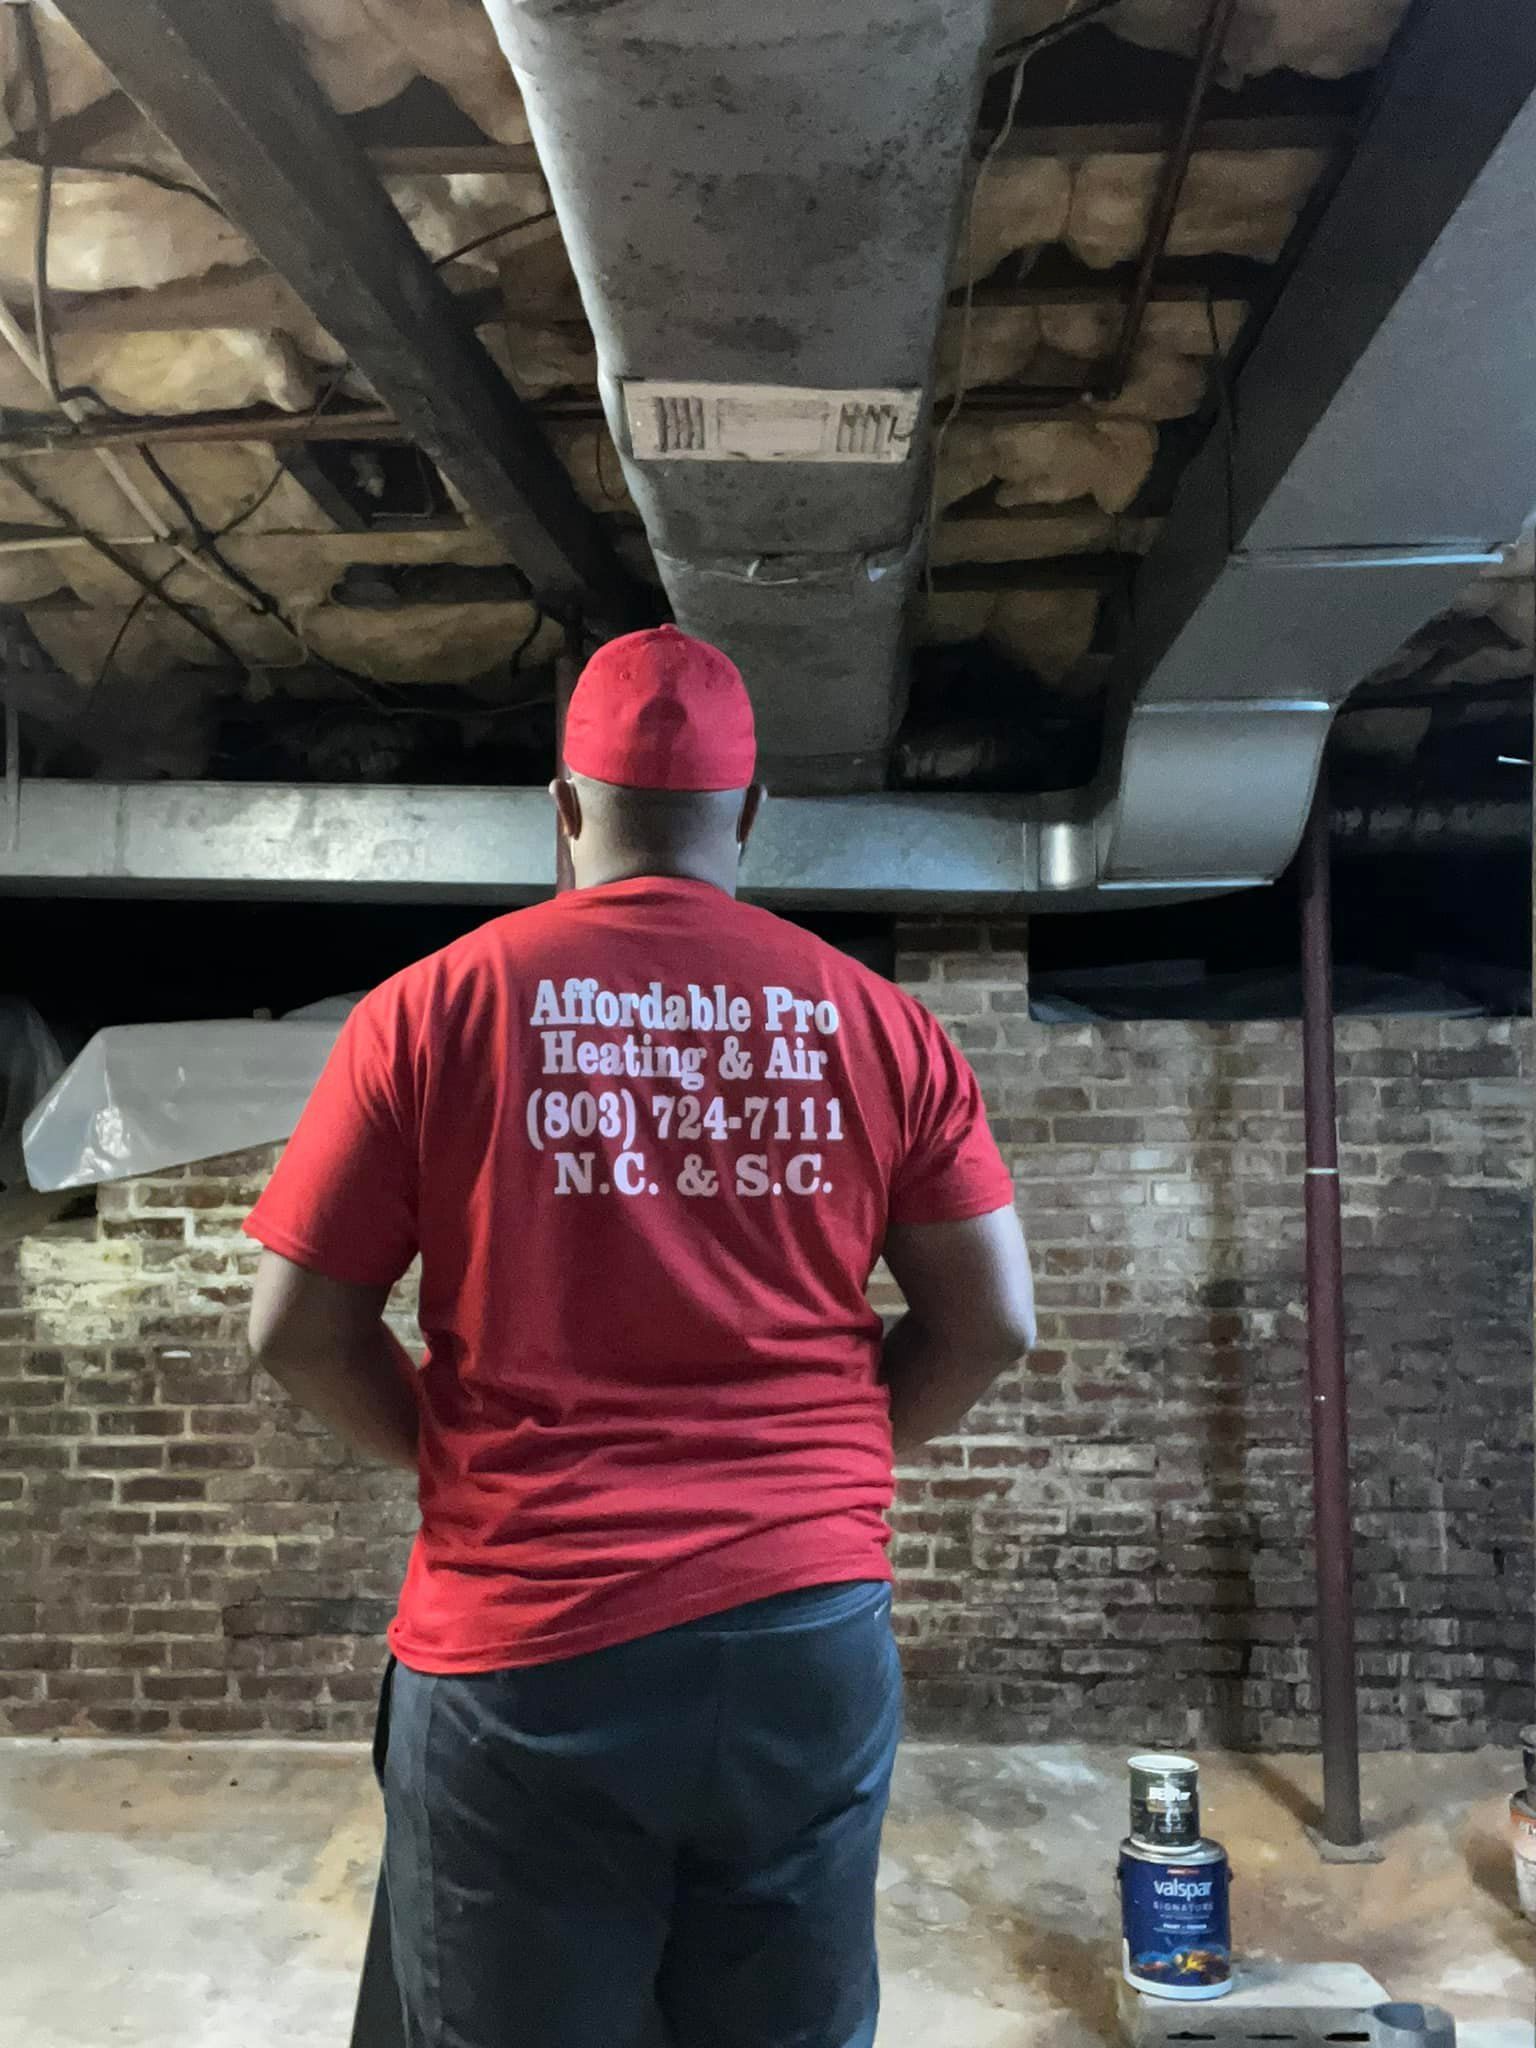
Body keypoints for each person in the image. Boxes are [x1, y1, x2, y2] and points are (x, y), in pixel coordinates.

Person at [245, 625, 1036, 2048]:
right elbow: (992, 1325)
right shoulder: (880, 1024)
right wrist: (822, 1480)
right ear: (750, 813)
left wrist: (449, 1462)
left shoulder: (432, 1010)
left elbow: (298, 1331)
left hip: (526, 1647)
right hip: (805, 1635)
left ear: (564, 807)